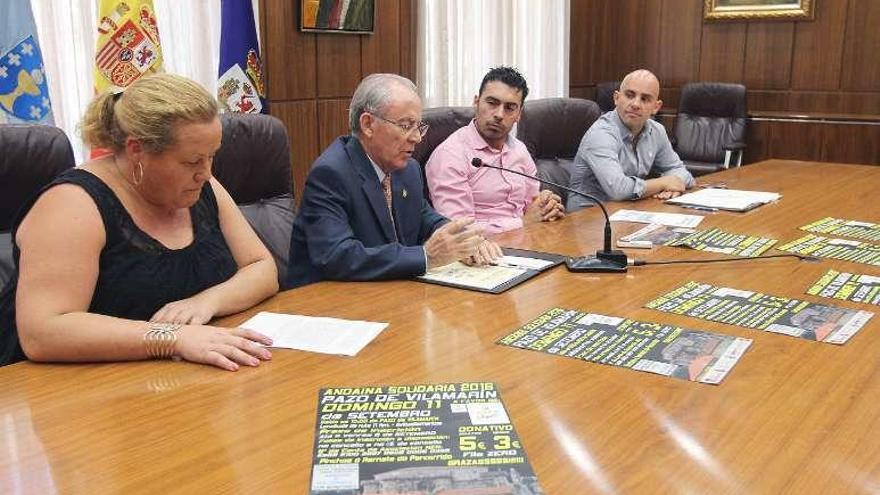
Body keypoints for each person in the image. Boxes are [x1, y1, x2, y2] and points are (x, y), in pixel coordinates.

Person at [0, 73, 278, 370]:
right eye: (191, 161)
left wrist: (206, 302)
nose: (206, 173)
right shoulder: (71, 205)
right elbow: (43, 332)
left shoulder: (201, 185)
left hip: (170, 378)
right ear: (136, 150)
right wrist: (172, 337)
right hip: (68, 390)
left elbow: (261, 268)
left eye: (211, 157)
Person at [286, 73, 501, 289]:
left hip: (386, 291)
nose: (417, 137)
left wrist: (462, 239)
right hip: (325, 303)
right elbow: (337, 256)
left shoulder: (407, 169)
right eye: (406, 125)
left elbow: (425, 218)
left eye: (419, 126)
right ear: (368, 124)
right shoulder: (331, 174)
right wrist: (426, 256)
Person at [426, 66, 565, 235]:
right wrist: (522, 223)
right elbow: (458, 230)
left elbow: (532, 204)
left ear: (519, 114)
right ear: (476, 103)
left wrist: (546, 205)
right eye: (492, 103)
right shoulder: (450, 155)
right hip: (480, 251)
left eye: (509, 107)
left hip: (529, 241)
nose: (499, 114)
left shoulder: (519, 150)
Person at [568, 69, 696, 210]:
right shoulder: (601, 134)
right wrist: (664, 183)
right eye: (630, 95)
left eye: (645, 99)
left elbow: (682, 172)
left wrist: (674, 184)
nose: (635, 104)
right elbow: (619, 189)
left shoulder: (657, 131)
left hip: (628, 212)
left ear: (656, 107)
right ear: (616, 98)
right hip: (588, 219)